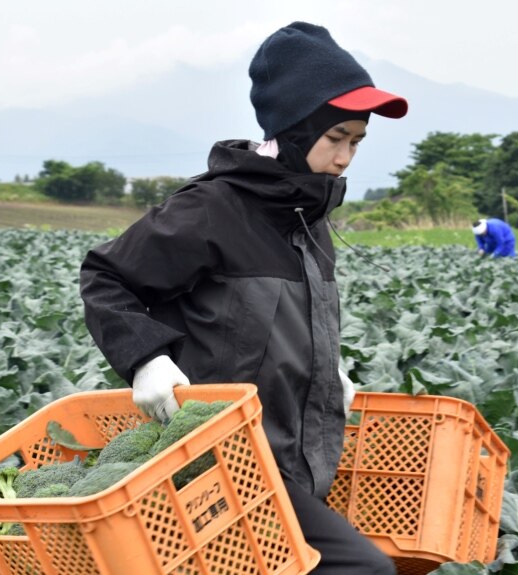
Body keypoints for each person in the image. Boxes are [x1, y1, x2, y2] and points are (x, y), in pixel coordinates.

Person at [78, 22, 406, 574]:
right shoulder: (213, 209)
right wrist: (145, 360)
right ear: (296, 130)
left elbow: (277, 327)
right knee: (365, 569)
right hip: (222, 460)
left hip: (291, 457)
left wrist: (329, 369)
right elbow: (106, 277)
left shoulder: (309, 219)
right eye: (336, 138)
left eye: (356, 141)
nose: (346, 156)